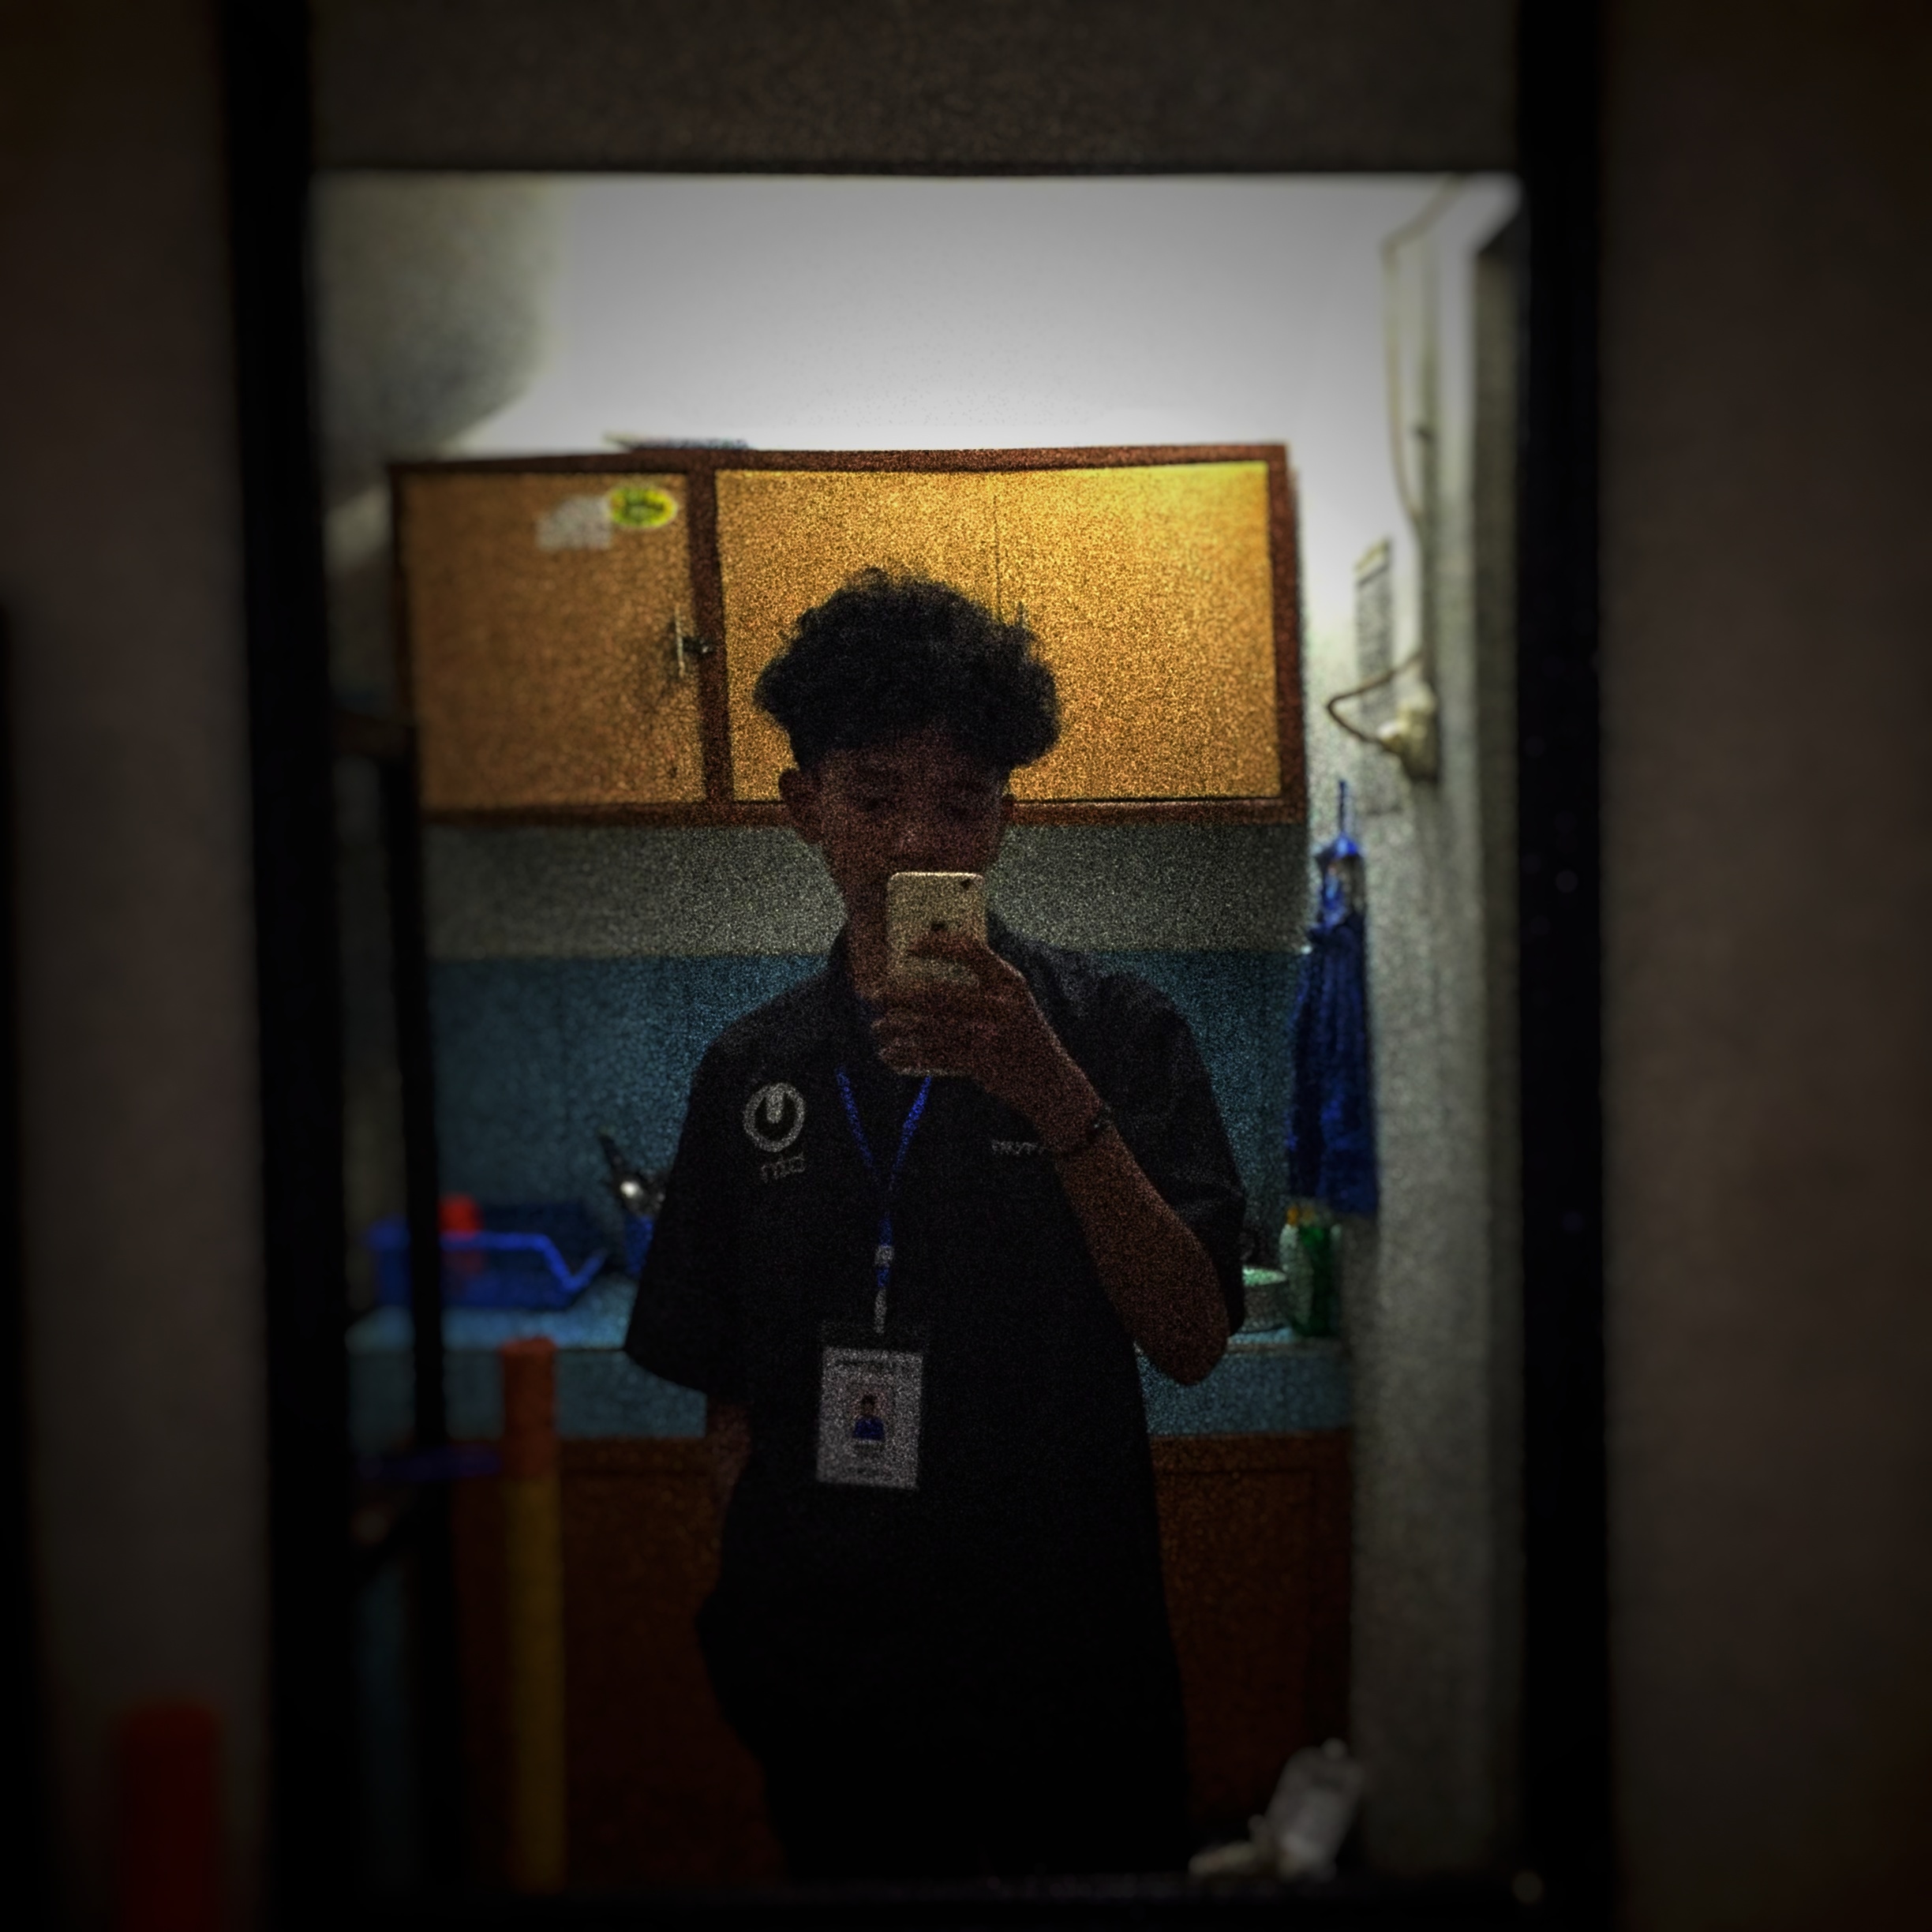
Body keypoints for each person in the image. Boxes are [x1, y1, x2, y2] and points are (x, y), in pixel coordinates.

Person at [623, 568, 1246, 1880]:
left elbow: (1192, 1337)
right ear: (803, 808)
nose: (919, 838)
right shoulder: (753, 1072)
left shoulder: (1120, 1032)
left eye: (962, 800)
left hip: (1066, 1663)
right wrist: (762, 1604)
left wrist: (1051, 1090)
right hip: (832, 1671)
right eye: (873, 796)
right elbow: (726, 1392)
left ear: (1008, 817)